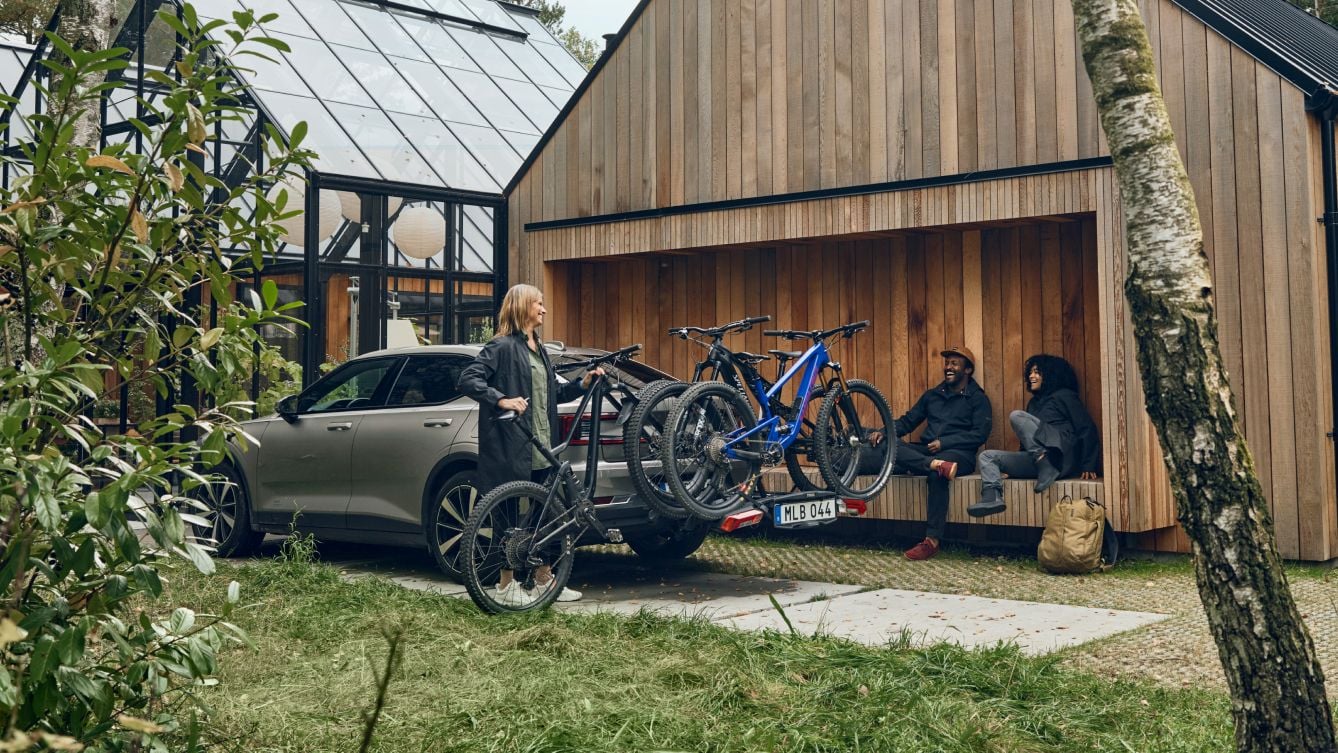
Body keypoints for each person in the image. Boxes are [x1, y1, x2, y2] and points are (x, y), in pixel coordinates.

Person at [457, 283, 603, 607]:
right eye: (539, 304)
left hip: (542, 445)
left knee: (546, 515)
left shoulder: (539, 349)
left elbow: (554, 393)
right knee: (508, 517)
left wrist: (583, 384)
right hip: (512, 444)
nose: (544, 309)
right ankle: (505, 584)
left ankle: (543, 580)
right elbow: (469, 379)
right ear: (523, 306)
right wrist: (502, 399)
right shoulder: (502, 347)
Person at [887, 346, 993, 561]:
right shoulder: (932, 395)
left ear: (968, 370)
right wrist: (883, 432)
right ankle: (930, 463)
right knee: (887, 446)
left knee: (938, 474)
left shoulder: (978, 399)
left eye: (954, 363)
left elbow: (980, 434)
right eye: (947, 363)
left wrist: (945, 442)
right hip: (927, 452)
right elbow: (908, 422)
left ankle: (932, 541)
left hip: (959, 455)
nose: (948, 367)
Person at [967, 354, 1100, 518]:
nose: (1031, 376)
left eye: (1037, 372)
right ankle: (992, 496)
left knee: (1017, 416)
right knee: (987, 457)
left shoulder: (1065, 396)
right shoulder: (1034, 403)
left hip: (1060, 458)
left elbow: (1086, 428)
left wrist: (1089, 464)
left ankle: (1045, 465)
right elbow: (1028, 436)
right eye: (1030, 372)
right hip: (1039, 463)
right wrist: (1014, 468)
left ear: (1051, 374)